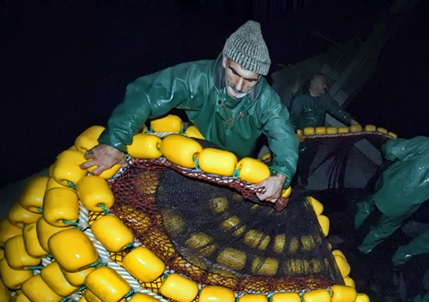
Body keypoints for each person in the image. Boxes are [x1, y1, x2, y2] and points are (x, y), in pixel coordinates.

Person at [80, 21, 298, 203]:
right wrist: (114, 142)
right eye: (234, 72)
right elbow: (146, 94)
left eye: (250, 80)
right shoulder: (197, 77)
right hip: (196, 149)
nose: (240, 86)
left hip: (236, 162)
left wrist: (281, 176)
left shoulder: (267, 100)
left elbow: (284, 135)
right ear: (224, 59)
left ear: (260, 77)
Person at [354, 122, 429, 254]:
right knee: (386, 228)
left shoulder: (427, 143)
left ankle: (353, 229)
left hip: (388, 187)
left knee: (367, 205)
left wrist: (387, 149)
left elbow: (393, 150)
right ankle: (363, 249)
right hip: (408, 204)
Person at [289, 72, 359, 131]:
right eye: (323, 84)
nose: (325, 86)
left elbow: (337, 110)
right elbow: (291, 119)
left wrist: (352, 121)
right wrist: (293, 135)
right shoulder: (300, 98)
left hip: (317, 138)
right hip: (302, 137)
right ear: (315, 84)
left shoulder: (325, 98)